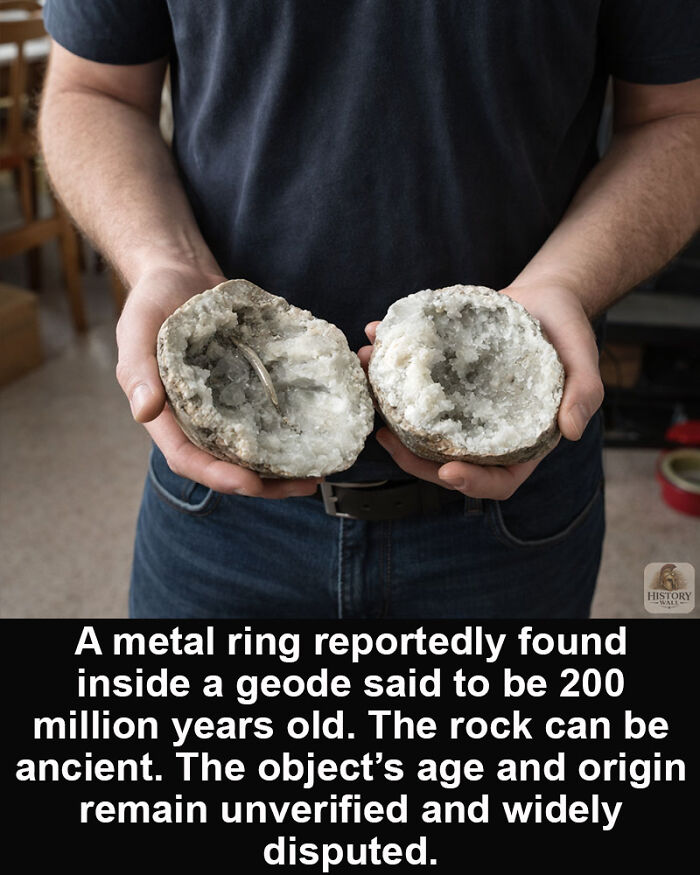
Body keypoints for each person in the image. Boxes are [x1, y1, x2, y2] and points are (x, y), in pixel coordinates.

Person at [39, 1, 700, 618]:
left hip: (516, 506)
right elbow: (94, 90)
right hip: (220, 504)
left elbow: (677, 116)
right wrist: (163, 259)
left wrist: (565, 283)